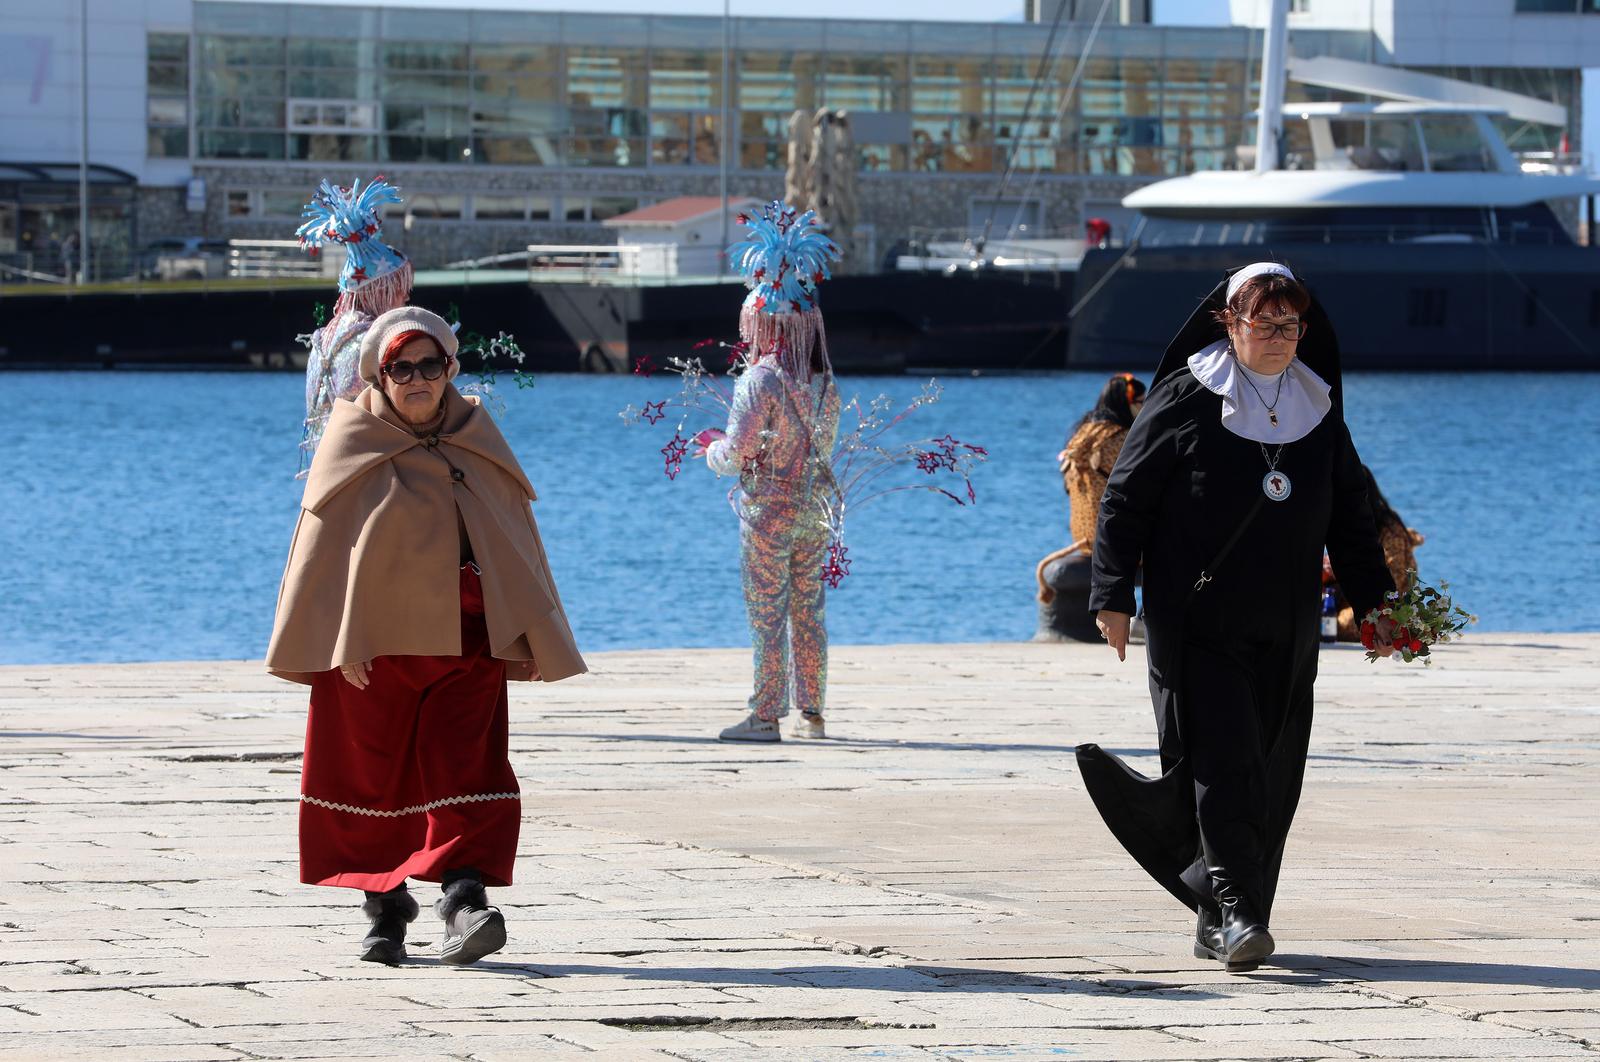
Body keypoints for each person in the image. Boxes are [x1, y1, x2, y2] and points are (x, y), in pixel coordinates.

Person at [1075, 262, 1399, 974]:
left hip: (1285, 621)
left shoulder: (1316, 403)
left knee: (1270, 765)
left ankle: (1219, 912)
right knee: (1223, 762)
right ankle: (1242, 912)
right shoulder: (1187, 398)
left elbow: (1350, 516)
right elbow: (1125, 500)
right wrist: (1110, 598)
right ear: (1230, 321)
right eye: (1265, 323)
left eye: (1291, 325)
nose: (1280, 337)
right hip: (1197, 616)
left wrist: (1379, 609)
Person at [265, 305, 586, 967]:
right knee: (370, 778)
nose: (416, 379)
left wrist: (523, 631)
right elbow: (320, 553)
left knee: (468, 768)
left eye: (429, 366)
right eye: (400, 368)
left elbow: (514, 538)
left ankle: (466, 901)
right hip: (371, 652)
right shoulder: (352, 440)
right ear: (380, 377)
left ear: (450, 369)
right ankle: (385, 911)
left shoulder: (476, 437)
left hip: (466, 643)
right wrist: (336, 641)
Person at [695, 201, 843, 744]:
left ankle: (764, 715)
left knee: (766, 613)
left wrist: (711, 452)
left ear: (760, 321)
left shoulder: (759, 380)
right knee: (809, 610)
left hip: (768, 511)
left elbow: (735, 454)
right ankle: (813, 713)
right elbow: (819, 446)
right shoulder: (825, 383)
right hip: (817, 508)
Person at [294, 176, 415, 478]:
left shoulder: (324, 338)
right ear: (380, 291)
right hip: (367, 475)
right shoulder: (377, 339)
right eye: (401, 290)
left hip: (327, 472)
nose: (406, 299)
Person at [1036, 372, 1145, 604]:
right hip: (1114, 541)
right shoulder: (1124, 438)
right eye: (1141, 402)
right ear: (1128, 404)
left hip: (1084, 537)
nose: (1146, 408)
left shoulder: (1081, 434)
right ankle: (1147, 617)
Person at [1331, 466, 1424, 641]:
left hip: (1389, 605)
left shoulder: (1390, 530)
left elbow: (1392, 584)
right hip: (1355, 597)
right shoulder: (1351, 526)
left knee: (1341, 623)